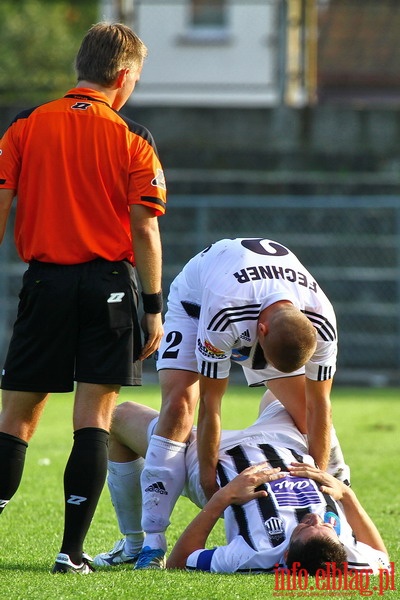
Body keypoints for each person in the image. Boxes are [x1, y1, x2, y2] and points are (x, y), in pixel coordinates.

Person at [0, 22, 166, 574]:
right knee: (93, 416)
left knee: (17, 418)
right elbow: (145, 229)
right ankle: (70, 553)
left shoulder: (26, 123)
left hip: (44, 283)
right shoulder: (133, 135)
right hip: (110, 289)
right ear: (123, 75)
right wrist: (153, 307)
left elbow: (0, 204)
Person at [135, 237, 347, 568]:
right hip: (198, 302)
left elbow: (319, 405)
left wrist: (319, 476)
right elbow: (211, 403)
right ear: (260, 332)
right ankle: (151, 540)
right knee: (179, 406)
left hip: (263, 307)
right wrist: (209, 481)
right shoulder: (225, 313)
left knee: (307, 413)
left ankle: (340, 492)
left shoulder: (322, 322)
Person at [93, 391, 389, 575]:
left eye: (303, 527)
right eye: (325, 525)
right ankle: (338, 469)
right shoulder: (350, 561)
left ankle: (134, 544)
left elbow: (180, 562)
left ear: (286, 554)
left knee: (120, 415)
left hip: (212, 460)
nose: (314, 518)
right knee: (293, 388)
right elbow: (382, 558)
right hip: (286, 443)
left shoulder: (256, 556)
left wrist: (223, 498)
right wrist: (346, 495)